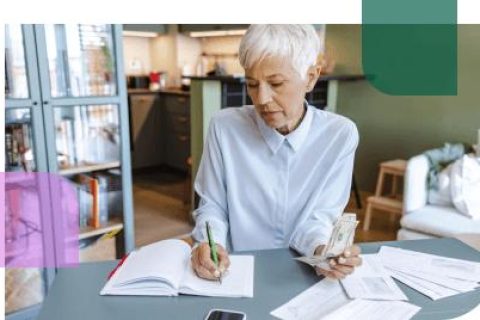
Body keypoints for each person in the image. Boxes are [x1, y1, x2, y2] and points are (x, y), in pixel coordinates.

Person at [183, 24, 362, 281]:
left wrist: (324, 252)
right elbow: (212, 206)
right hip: (235, 271)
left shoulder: (340, 135)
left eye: (276, 83)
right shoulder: (224, 127)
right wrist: (209, 244)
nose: (262, 98)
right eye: (252, 84)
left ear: (311, 77)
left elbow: (320, 217)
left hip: (303, 273)